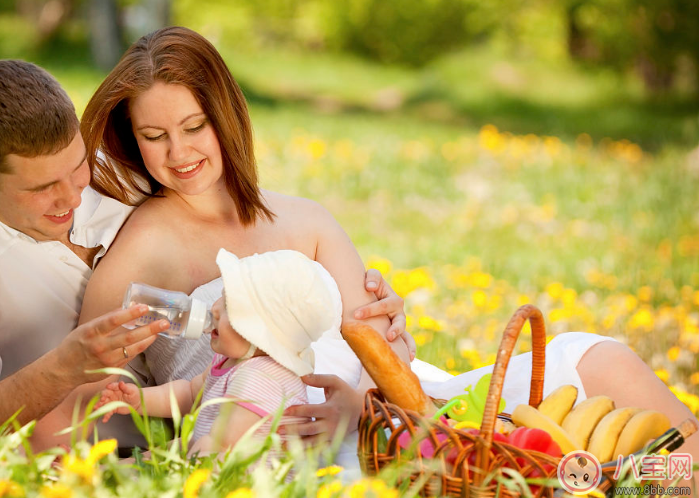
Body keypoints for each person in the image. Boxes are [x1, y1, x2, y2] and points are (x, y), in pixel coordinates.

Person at [77, 26, 699, 462]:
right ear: (130, 138)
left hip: (396, 415)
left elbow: (391, 366)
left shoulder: (306, 221)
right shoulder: (141, 248)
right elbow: (86, 395)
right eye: (154, 135)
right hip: (288, 432)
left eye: (194, 126)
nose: (179, 153)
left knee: (601, 359)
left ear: (226, 116)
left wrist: (379, 373)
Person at [0, 59, 406, 450]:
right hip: (168, 417)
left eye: (77, 169)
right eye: (43, 189)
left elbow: (235, 211)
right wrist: (64, 370)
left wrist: (365, 334)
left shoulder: (126, 163)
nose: (74, 198)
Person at [96, 249, 343, 457]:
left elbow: (221, 447)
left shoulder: (263, 377)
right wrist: (139, 401)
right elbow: (190, 394)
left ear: (260, 334)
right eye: (222, 298)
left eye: (229, 308)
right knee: (154, 459)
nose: (214, 309)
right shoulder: (232, 360)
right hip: (209, 455)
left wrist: (161, 459)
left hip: (249, 481)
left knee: (155, 461)